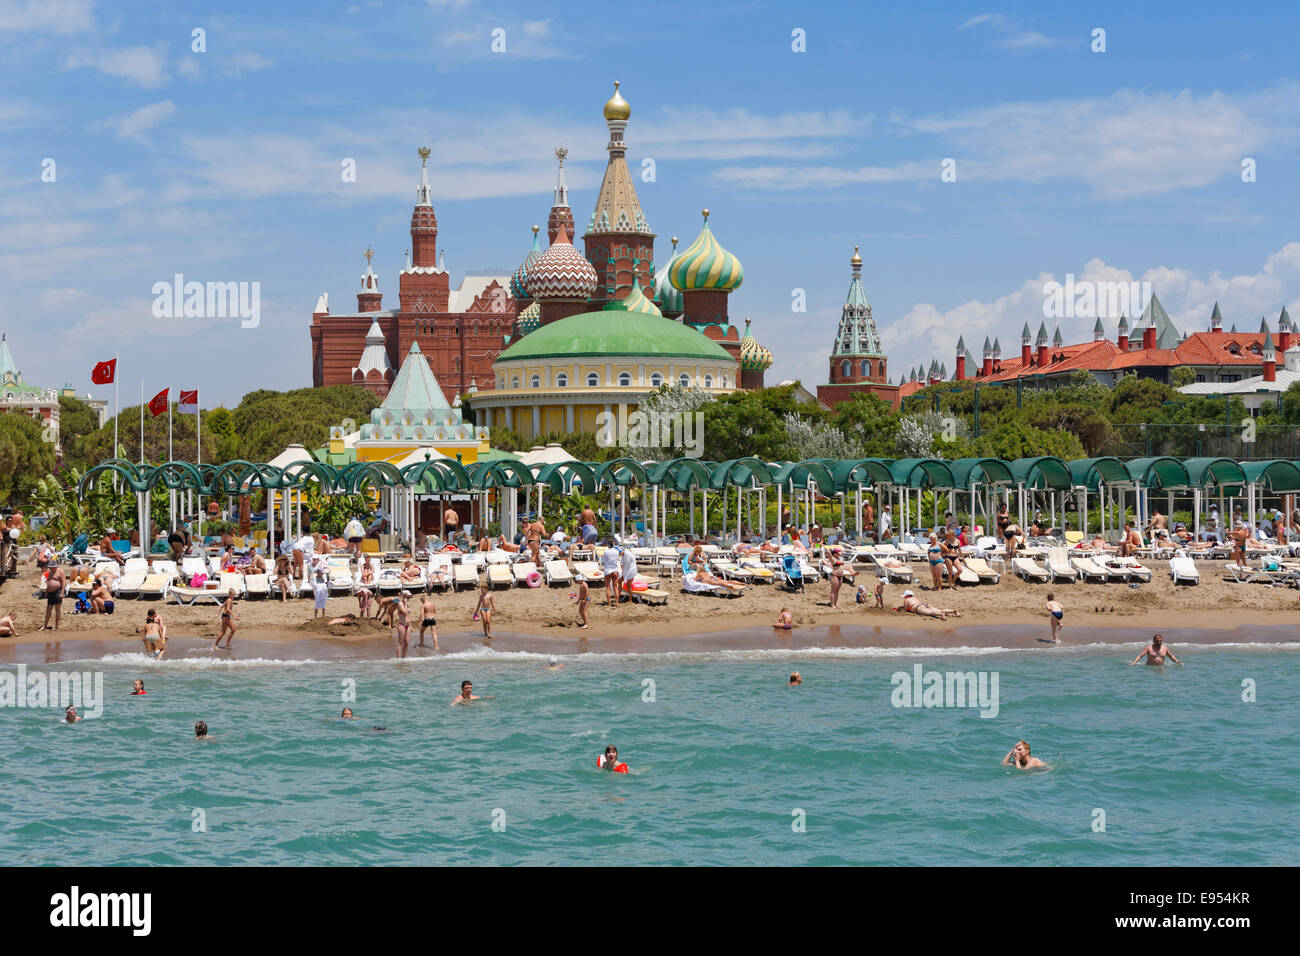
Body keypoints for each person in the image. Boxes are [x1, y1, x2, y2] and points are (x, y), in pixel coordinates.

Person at [896, 589, 961, 620]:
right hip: (924, 604)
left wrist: (899, 608)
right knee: (939, 610)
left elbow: (905, 609)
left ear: (906, 596)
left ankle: (941, 614)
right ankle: (953, 611)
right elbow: (910, 606)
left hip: (918, 608)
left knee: (930, 613)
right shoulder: (914, 598)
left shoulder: (906, 600)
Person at [39, 562, 65, 632]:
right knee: (48, 609)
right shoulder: (50, 572)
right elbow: (49, 582)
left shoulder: (60, 571)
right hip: (50, 593)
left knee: (57, 609)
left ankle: (56, 626)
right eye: (50, 567)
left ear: (55, 566)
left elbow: (63, 582)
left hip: (58, 591)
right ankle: (45, 625)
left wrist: (62, 592)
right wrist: (46, 592)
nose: (50, 568)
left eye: (51, 567)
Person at [601, 541, 622, 608]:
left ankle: (609, 603)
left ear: (608, 545)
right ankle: (617, 603)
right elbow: (618, 559)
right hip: (615, 570)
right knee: (615, 587)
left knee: (607, 587)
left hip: (607, 570)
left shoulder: (606, 552)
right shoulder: (616, 551)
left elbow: (603, 561)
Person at [392, 590, 411, 657]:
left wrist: (411, 625)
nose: (408, 598)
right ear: (403, 596)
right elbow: (405, 613)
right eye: (407, 596)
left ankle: (403, 658)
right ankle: (398, 659)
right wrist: (405, 603)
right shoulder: (400, 603)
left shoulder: (407, 603)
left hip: (407, 625)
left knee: (407, 642)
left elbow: (408, 616)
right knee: (401, 642)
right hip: (401, 625)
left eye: (408, 597)